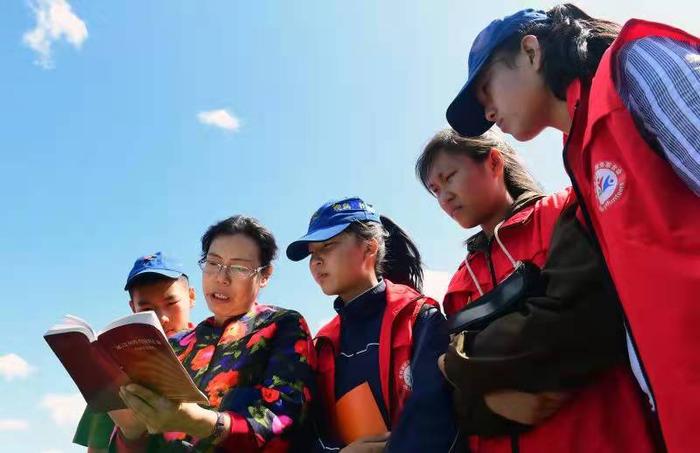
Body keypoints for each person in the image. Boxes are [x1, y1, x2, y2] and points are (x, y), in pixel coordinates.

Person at [445, 5, 700, 450]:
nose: (488, 112)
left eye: (487, 89)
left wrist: (458, 363)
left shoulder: (634, 65)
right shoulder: (581, 162)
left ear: (530, 52)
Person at [416, 128, 656, 452]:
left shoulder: (562, 212)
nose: (444, 197)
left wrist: (455, 361)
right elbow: (453, 399)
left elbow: (585, 322)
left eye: (450, 177)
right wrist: (495, 405)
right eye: (435, 189)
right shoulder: (458, 284)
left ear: (493, 162)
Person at [112, 216, 316, 452]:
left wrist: (199, 422)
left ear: (265, 275)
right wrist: (130, 431)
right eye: (213, 263)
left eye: (239, 267)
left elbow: (285, 421)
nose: (221, 278)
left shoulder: (283, 326)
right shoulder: (173, 345)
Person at [286, 197, 458, 452]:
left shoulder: (418, 316)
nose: (316, 261)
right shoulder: (321, 343)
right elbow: (308, 430)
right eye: (312, 253)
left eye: (328, 246)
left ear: (370, 247)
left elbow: (437, 416)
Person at [73, 251, 196, 452]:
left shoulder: (221, 356)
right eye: (147, 309)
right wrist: (130, 431)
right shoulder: (117, 370)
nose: (162, 318)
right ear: (133, 308)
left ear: (191, 297)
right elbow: (96, 448)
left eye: (171, 303)